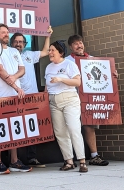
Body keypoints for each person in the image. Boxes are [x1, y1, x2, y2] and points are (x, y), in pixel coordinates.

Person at [0, 23, 32, 174]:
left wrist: (14, 77)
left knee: (14, 129)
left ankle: (14, 161)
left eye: (7, 32)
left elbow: (22, 69)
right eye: (3, 32)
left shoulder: (14, 51)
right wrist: (17, 87)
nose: (6, 34)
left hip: (14, 96)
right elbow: (0, 71)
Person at [66, 34, 117, 166]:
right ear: (71, 47)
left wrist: (113, 75)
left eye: (81, 43)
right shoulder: (67, 61)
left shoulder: (94, 60)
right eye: (76, 43)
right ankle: (70, 159)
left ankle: (94, 156)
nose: (79, 45)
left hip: (90, 100)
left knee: (90, 126)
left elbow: (105, 77)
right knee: (71, 128)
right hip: (72, 99)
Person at [10, 26, 53, 168]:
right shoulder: (8, 56)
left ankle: (31, 158)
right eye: (16, 41)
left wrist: (47, 35)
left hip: (32, 97)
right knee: (16, 128)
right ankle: (15, 159)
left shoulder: (29, 55)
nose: (18, 44)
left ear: (25, 44)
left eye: (21, 42)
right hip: (16, 96)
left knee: (32, 127)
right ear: (11, 43)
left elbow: (46, 52)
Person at [45, 40, 88, 173]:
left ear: (61, 52)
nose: (50, 53)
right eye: (49, 50)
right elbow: (47, 85)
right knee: (60, 132)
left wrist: (61, 79)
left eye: (53, 50)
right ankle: (69, 161)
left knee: (74, 129)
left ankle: (82, 161)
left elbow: (77, 82)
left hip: (69, 99)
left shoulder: (70, 64)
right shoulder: (48, 67)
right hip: (53, 101)